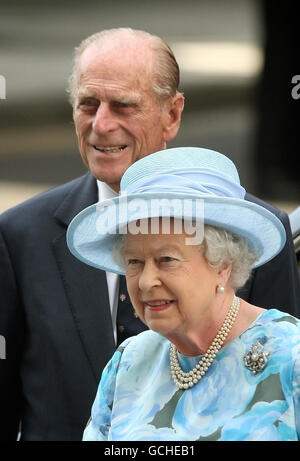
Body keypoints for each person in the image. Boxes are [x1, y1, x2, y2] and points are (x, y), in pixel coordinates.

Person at [0, 28, 299, 441]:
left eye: (123, 106)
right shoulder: (19, 235)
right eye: (88, 104)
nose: (101, 125)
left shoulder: (288, 351)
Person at [67, 147, 300, 441]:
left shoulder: (291, 356)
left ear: (223, 265)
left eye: (167, 260)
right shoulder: (128, 362)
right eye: (134, 262)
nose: (146, 281)